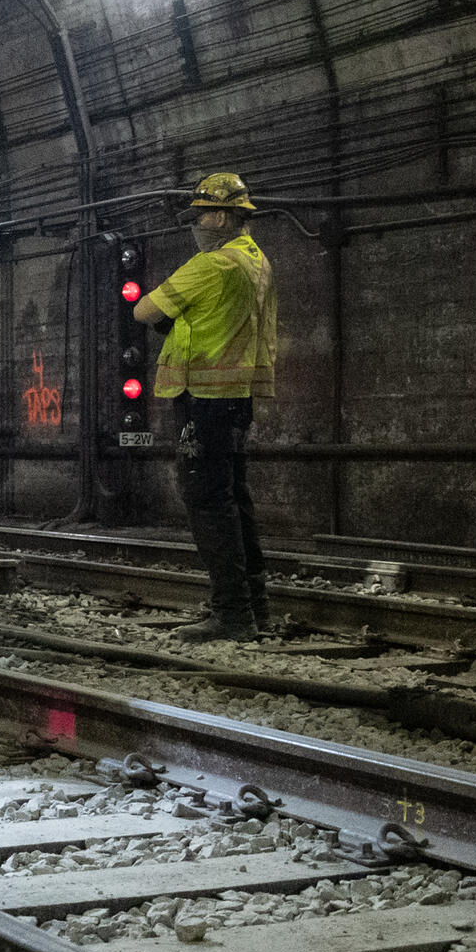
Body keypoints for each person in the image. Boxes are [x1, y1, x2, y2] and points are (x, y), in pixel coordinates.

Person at [133, 171, 279, 642]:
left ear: (221, 216)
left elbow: (144, 311)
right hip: (238, 399)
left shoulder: (212, 264)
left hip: (204, 401)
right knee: (234, 499)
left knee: (207, 502)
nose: (196, 224)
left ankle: (231, 614)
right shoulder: (257, 261)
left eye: (201, 215)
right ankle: (255, 610)